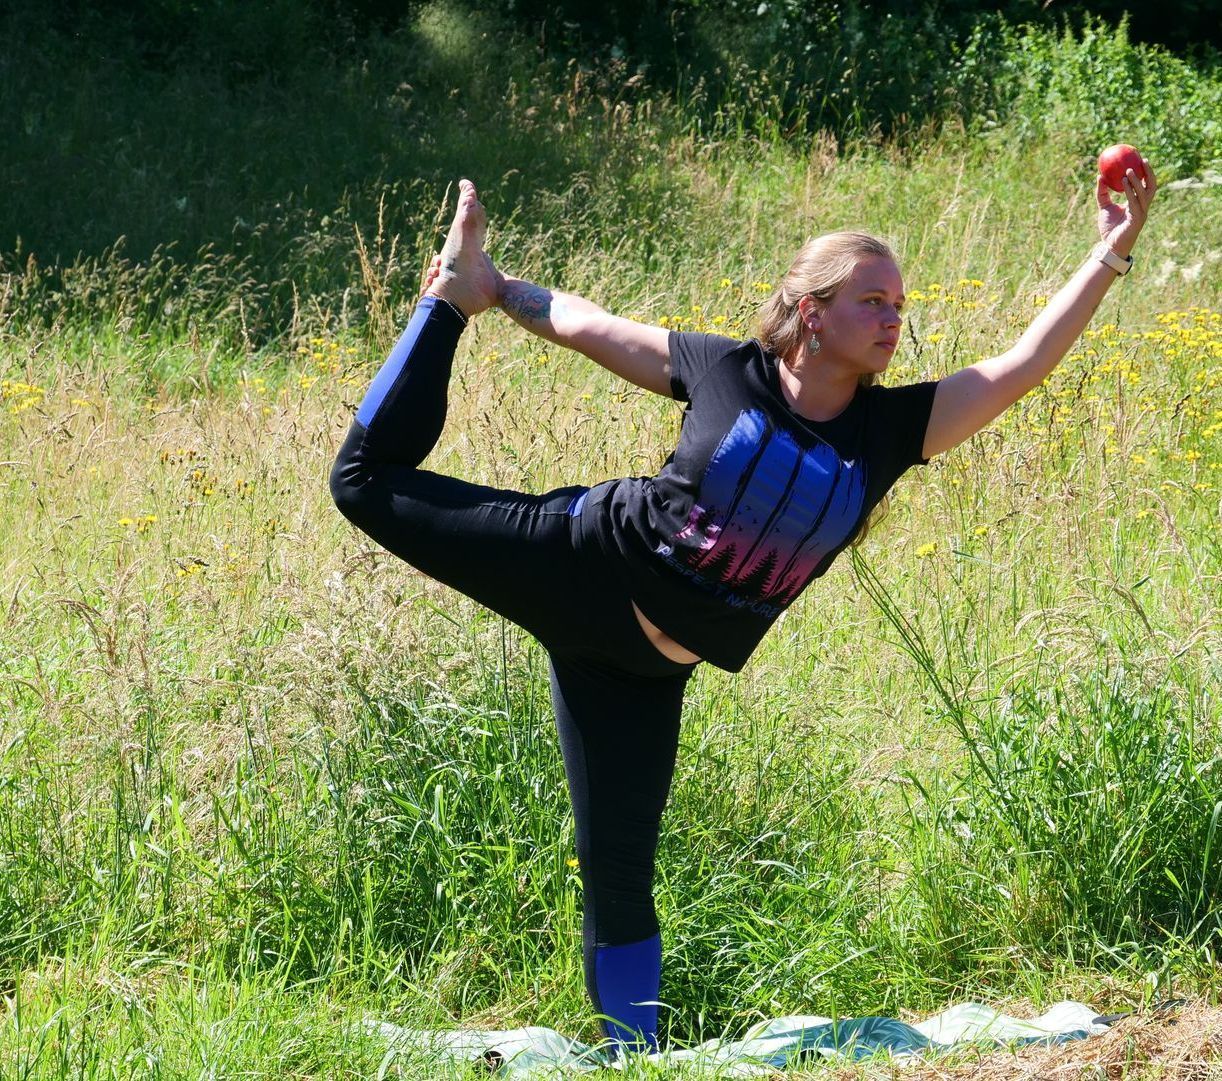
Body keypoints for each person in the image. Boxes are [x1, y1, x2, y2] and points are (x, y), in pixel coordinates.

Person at [329, 164, 1156, 1054]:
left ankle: (630, 1061)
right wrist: (490, 290)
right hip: (583, 563)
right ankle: (442, 302)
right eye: (873, 300)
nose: (894, 319)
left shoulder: (888, 435)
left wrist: (1110, 252)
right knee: (364, 484)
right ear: (813, 310)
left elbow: (1021, 364)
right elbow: (589, 327)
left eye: (899, 304)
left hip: (643, 671)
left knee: (619, 868)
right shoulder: (728, 370)